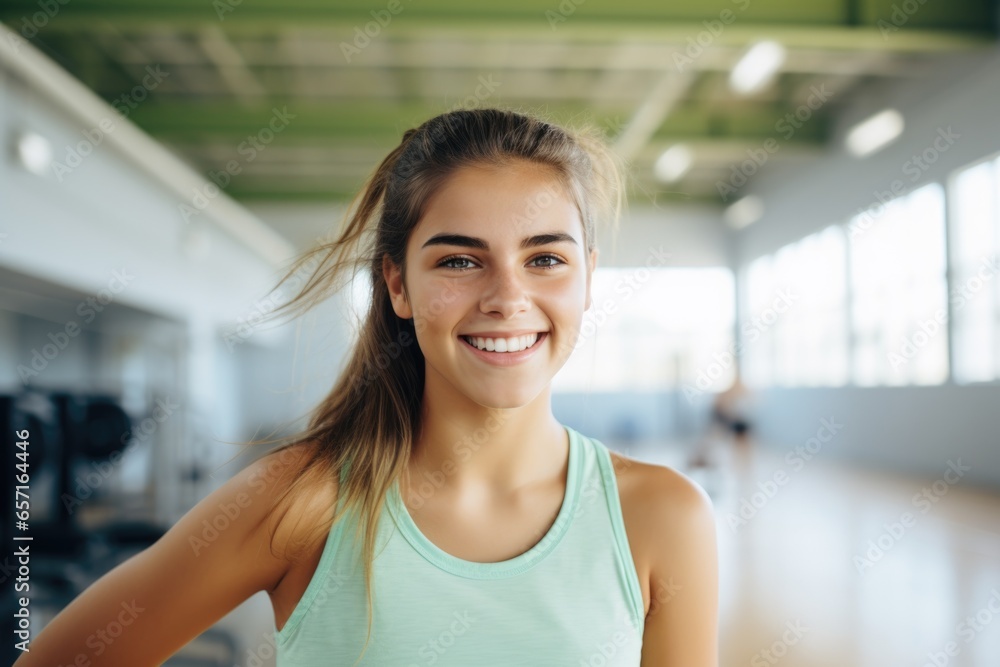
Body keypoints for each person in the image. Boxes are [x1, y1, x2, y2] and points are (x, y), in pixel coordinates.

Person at [15, 108, 719, 666]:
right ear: (397, 283)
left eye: (545, 258)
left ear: (588, 277)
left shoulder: (662, 518)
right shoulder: (301, 502)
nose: (508, 297)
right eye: (459, 260)